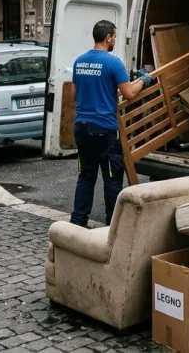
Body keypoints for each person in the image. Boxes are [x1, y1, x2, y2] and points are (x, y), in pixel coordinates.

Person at [70, 20, 153, 227]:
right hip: (105, 130)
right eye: (114, 37)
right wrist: (145, 79)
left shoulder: (79, 61)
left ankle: (78, 223)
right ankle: (111, 226)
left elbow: (74, 94)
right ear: (108, 38)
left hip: (82, 127)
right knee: (111, 179)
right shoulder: (113, 63)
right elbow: (130, 93)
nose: (115, 40)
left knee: (86, 176)